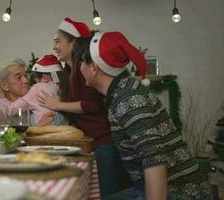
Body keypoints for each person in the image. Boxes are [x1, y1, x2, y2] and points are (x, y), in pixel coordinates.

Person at [73, 31, 212, 199]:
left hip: (181, 192)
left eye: (81, 62)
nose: (79, 67)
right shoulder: (122, 91)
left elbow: (154, 159)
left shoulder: (128, 99)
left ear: (94, 68)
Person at [38, 17, 128, 198]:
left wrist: (58, 105)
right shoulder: (71, 71)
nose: (54, 46)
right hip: (92, 142)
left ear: (73, 44)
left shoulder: (83, 67)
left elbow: (92, 105)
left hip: (105, 142)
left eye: (58, 41)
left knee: (107, 194)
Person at [0, 54, 68, 126]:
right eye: (18, 77)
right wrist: (37, 128)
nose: (26, 81)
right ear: (4, 85)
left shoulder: (35, 91)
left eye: (25, 76)